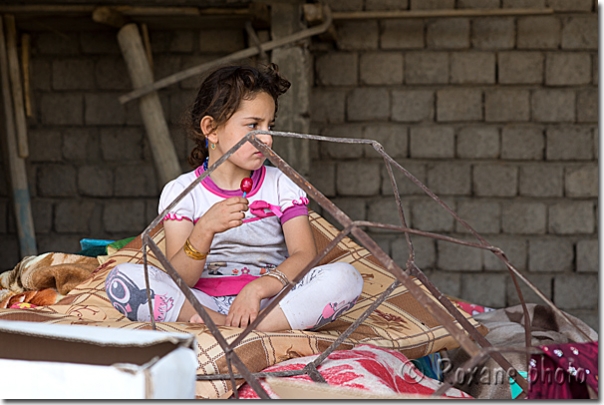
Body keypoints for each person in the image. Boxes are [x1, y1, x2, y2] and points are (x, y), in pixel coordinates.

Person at [105, 64, 363, 332]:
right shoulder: (182, 191)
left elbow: (304, 255)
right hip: (202, 303)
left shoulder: (281, 184)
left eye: (269, 126)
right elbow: (182, 278)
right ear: (211, 129)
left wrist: (256, 290)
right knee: (121, 279)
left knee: (347, 277)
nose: (267, 138)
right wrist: (204, 229)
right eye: (253, 125)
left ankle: (247, 327)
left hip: (269, 301)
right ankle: (235, 325)